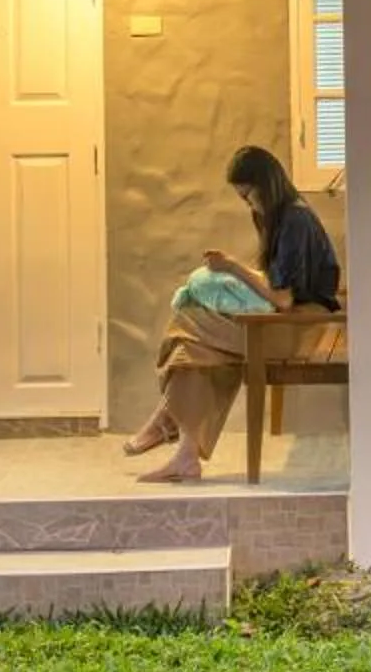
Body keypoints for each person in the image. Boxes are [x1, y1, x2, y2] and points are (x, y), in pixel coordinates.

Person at [125, 145, 340, 482]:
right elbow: (276, 285)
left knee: (185, 320)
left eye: (248, 195)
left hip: (298, 328)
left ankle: (166, 419)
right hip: (288, 321)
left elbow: (282, 300)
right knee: (197, 352)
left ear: (266, 184)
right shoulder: (282, 216)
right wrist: (229, 270)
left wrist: (232, 267)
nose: (248, 204)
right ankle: (185, 456)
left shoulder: (295, 220)